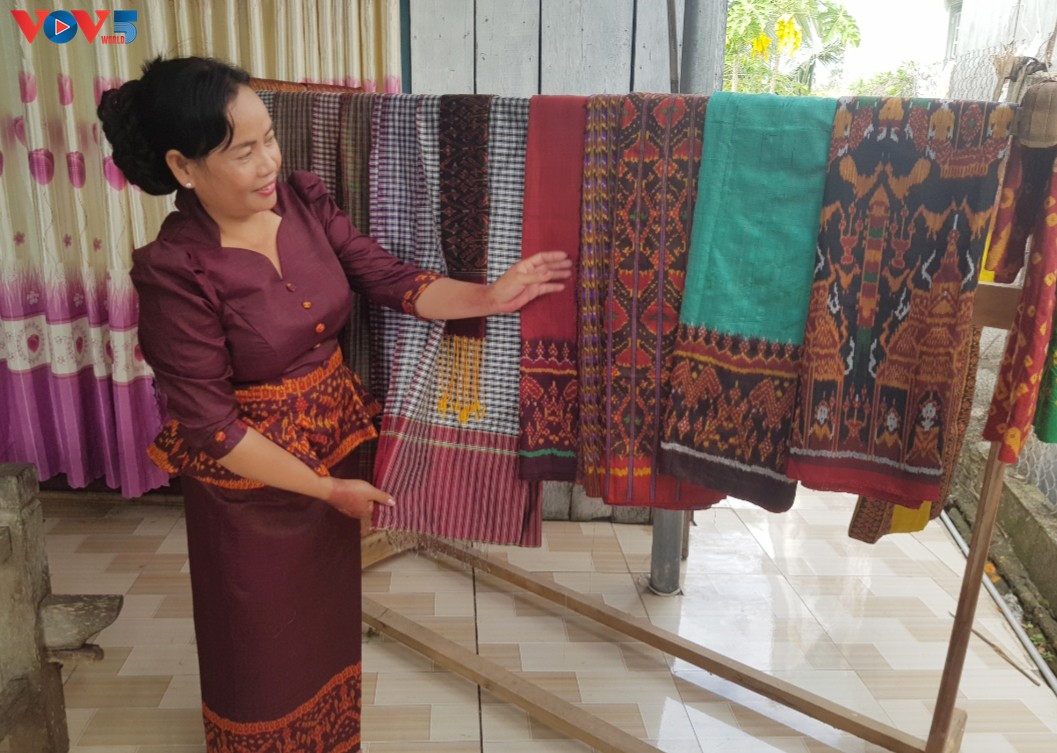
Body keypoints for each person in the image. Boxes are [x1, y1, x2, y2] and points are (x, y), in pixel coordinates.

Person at [97, 56, 571, 752]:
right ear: (183, 166)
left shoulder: (300, 201)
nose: (269, 162)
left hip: (334, 459)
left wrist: (490, 297)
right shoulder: (176, 271)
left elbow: (387, 278)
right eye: (243, 151)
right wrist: (325, 490)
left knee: (323, 630)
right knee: (259, 649)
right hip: (251, 496)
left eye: (268, 139)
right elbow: (213, 428)